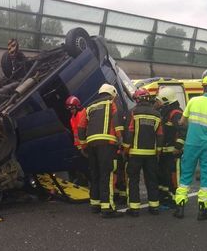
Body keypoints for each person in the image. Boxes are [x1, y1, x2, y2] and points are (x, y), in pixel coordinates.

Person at [174, 73, 207, 220]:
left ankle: (180, 207)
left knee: (185, 175)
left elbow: (182, 121)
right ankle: (203, 210)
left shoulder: (193, 101)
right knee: (206, 176)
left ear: (203, 87)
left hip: (191, 144)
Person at [78, 83, 124, 218]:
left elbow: (81, 127)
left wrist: (83, 145)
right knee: (107, 175)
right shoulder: (112, 104)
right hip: (107, 143)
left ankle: (95, 204)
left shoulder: (89, 107)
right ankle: (107, 208)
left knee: (95, 174)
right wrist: (120, 140)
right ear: (112, 94)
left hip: (91, 144)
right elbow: (117, 123)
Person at [123, 88, 163, 216]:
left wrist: (126, 148)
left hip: (135, 153)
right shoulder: (156, 114)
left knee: (133, 180)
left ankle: (134, 209)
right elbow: (160, 135)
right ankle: (154, 207)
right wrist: (158, 150)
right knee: (152, 179)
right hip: (151, 154)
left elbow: (129, 132)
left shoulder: (133, 112)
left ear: (137, 99)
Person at [156, 87, 185, 210]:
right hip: (164, 152)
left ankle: (176, 200)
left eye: (159, 101)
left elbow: (182, 130)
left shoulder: (176, 113)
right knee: (164, 176)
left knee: (174, 177)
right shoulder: (165, 112)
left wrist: (178, 146)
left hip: (173, 153)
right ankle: (166, 198)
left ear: (166, 100)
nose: (158, 103)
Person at [65, 95, 89, 186]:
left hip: (87, 145)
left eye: (72, 108)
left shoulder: (83, 113)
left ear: (77, 106)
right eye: (69, 109)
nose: (71, 110)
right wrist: (79, 147)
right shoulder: (72, 119)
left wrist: (84, 147)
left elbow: (84, 131)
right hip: (80, 146)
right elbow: (76, 134)